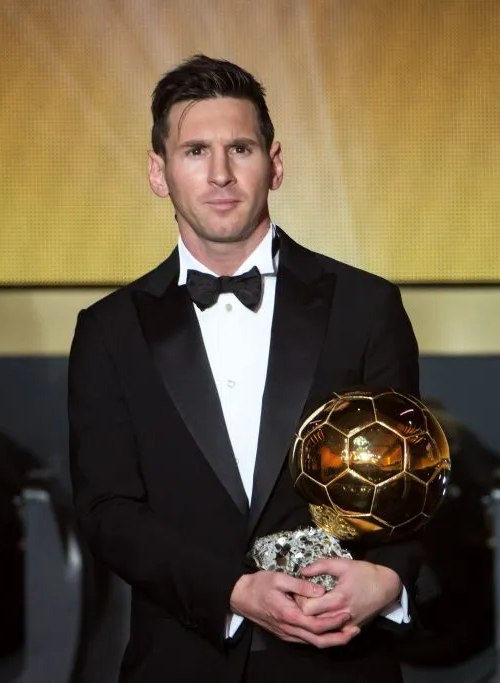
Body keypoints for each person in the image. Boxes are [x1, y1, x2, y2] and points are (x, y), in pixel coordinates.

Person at [67, 54, 424, 683]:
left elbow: (412, 484)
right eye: (195, 151)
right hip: (180, 664)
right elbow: (107, 511)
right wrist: (232, 591)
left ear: (275, 163)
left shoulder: (365, 306)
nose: (221, 174)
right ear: (159, 172)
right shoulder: (109, 331)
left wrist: (388, 578)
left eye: (241, 148)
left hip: (340, 662)